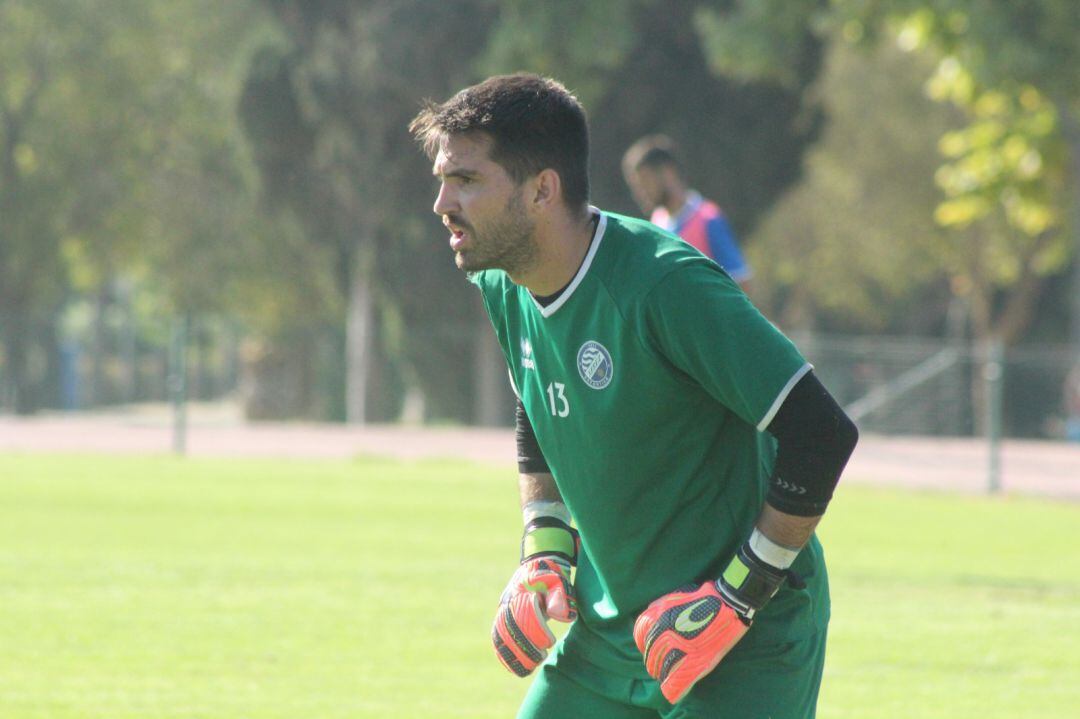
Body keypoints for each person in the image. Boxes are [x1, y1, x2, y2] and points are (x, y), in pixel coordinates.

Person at [410, 74, 858, 719]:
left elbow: (823, 431)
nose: (442, 203)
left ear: (542, 189)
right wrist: (544, 550)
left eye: (468, 181)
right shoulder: (502, 281)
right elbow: (538, 403)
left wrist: (738, 595)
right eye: (442, 181)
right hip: (608, 633)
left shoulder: (664, 284)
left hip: (747, 638)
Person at [622, 134, 752, 290]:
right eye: (636, 186)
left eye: (645, 181)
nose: (641, 193)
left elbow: (741, 281)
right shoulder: (656, 227)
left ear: (667, 172)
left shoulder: (708, 220)